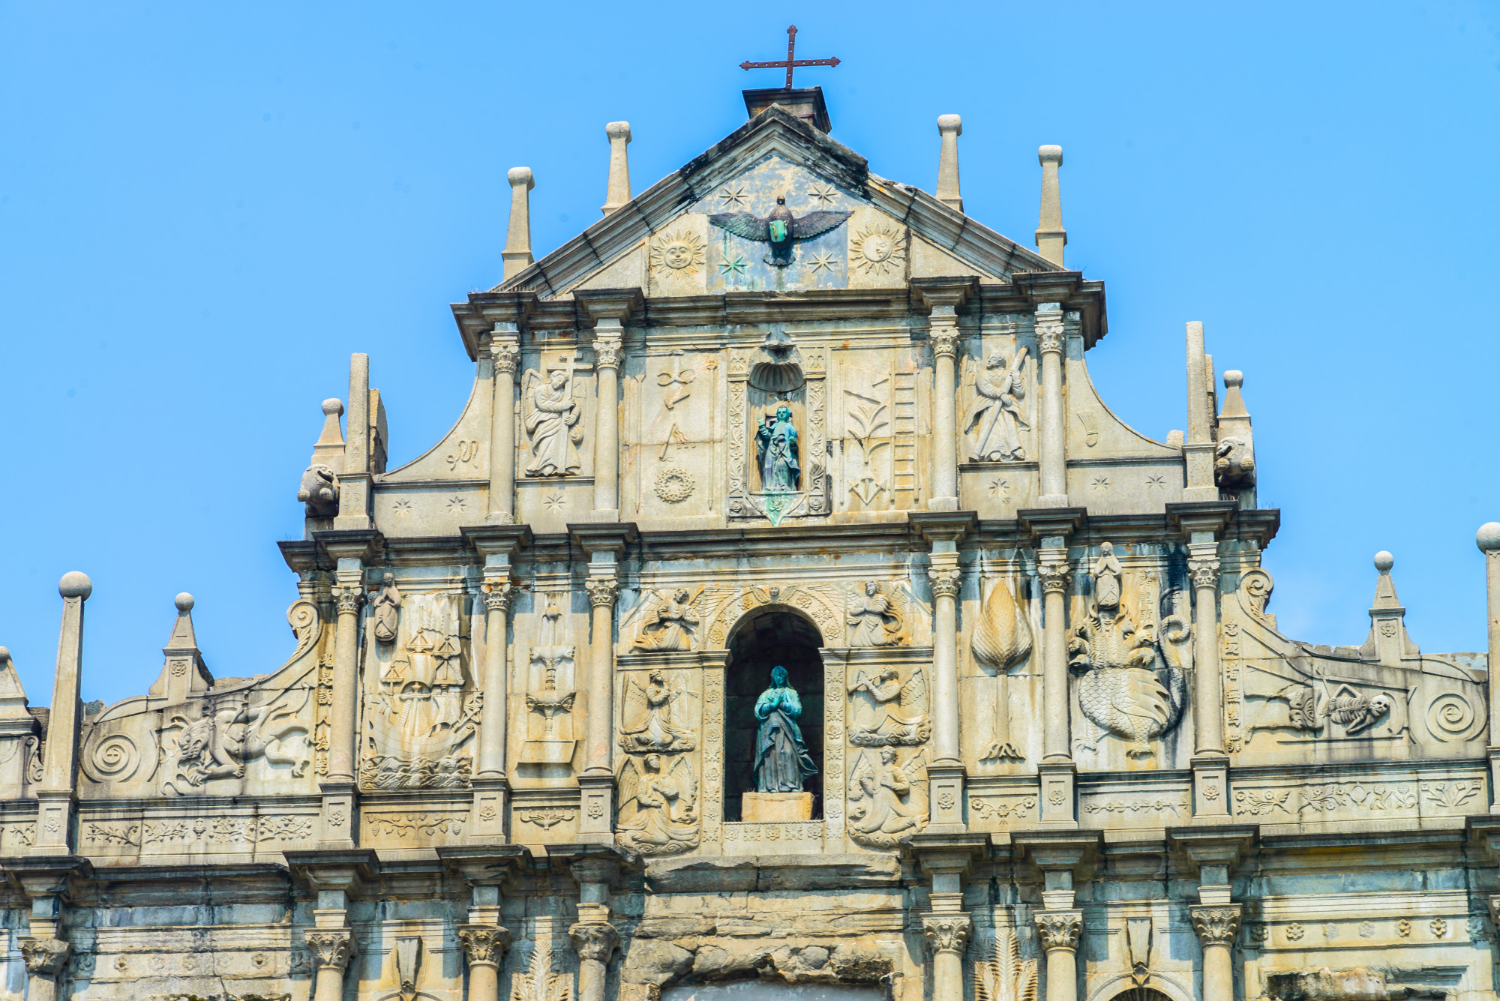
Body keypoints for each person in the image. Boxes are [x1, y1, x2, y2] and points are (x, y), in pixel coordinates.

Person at [753, 666, 818, 792]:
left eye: (781, 675)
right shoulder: (766, 694)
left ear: (785, 677)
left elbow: (797, 710)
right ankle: (770, 786)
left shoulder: (791, 693)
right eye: (776, 675)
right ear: (772, 678)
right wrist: (772, 705)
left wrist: (781, 704)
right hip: (768, 730)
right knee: (770, 755)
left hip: (787, 728)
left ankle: (791, 785)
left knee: (788, 753)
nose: (779, 678)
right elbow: (758, 711)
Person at [525, 370, 581, 477]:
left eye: (562, 382)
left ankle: (569, 465)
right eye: (559, 380)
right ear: (552, 378)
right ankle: (544, 465)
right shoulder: (541, 389)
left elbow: (576, 403)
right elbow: (543, 405)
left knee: (562, 442)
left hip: (560, 422)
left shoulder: (564, 392)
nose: (560, 383)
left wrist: (573, 416)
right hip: (545, 420)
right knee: (546, 442)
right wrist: (563, 406)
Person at [755, 405, 800, 492]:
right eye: (779, 413)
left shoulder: (789, 427)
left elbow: (794, 444)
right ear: (777, 415)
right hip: (772, 448)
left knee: (782, 466)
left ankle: (784, 486)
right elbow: (767, 436)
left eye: (783, 412)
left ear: (787, 415)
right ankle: (769, 487)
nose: (781, 414)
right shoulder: (774, 426)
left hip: (784, 450)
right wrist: (762, 425)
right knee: (768, 467)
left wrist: (792, 443)